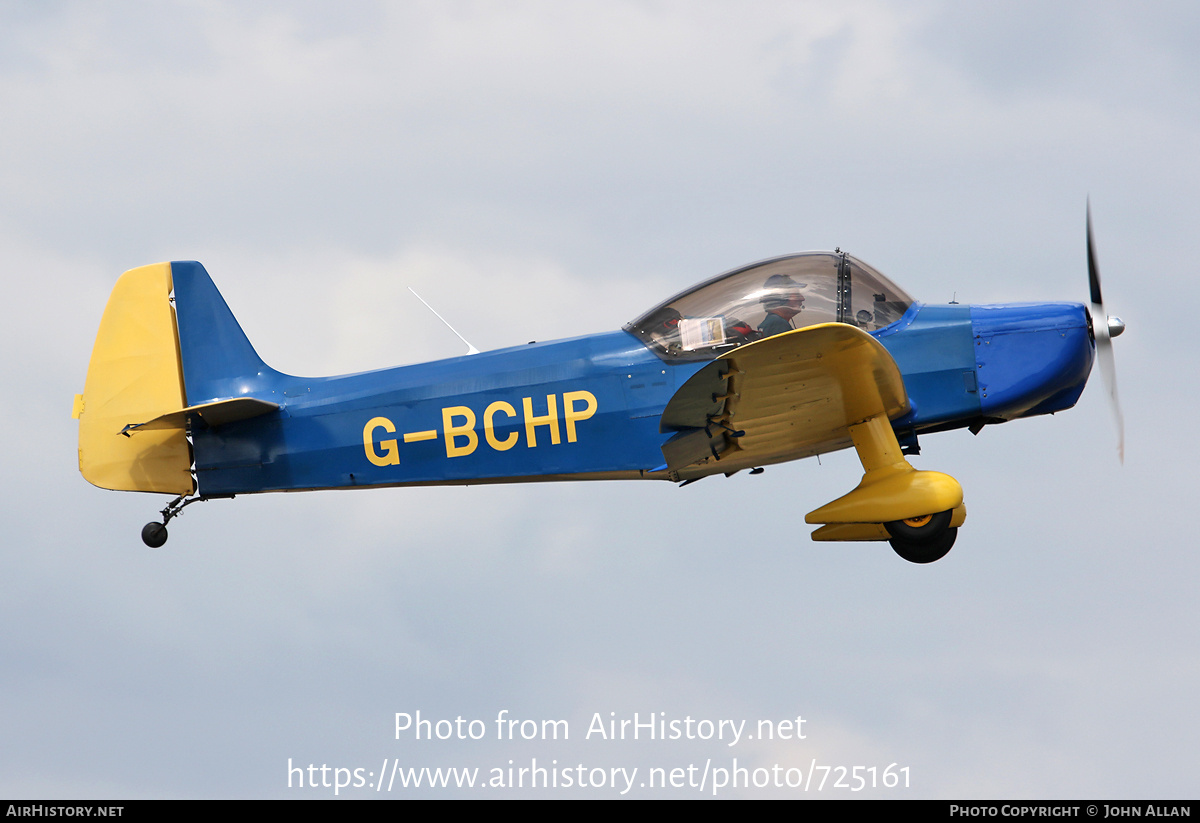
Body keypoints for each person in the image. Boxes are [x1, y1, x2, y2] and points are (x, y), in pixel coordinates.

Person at [757, 274, 805, 338]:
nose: (802, 298)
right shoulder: (778, 324)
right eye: (797, 295)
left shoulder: (772, 322)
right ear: (782, 299)